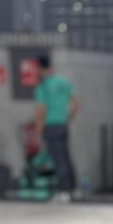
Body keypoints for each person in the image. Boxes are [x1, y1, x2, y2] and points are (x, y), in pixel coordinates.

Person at [33, 55, 80, 201]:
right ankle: (74, 189)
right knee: (66, 157)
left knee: (58, 160)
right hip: (62, 125)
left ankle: (64, 191)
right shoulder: (64, 82)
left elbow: (42, 110)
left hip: (51, 126)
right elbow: (76, 103)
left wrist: (38, 131)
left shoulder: (43, 87)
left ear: (40, 69)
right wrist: (68, 118)